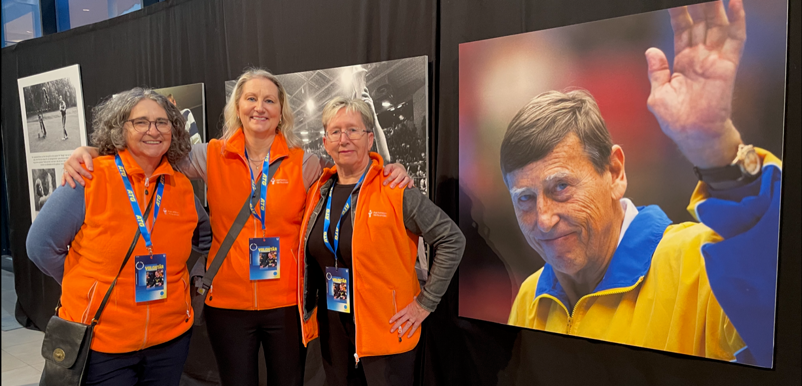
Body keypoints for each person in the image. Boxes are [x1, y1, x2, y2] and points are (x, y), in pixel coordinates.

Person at [61, 69, 413, 386]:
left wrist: (388, 168)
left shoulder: (303, 163)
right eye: (251, 98)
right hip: (227, 306)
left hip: (285, 305)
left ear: (281, 111)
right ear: (238, 107)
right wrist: (92, 151)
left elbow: (351, 168)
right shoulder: (209, 155)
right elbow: (150, 151)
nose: (260, 107)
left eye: (269, 100)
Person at [504, 0, 780, 367]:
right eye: (524, 198)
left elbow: (781, 288)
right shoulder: (530, 299)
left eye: (560, 189)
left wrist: (716, 148)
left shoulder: (700, 267)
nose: (543, 219)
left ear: (615, 173)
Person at [27, 87, 212, 385]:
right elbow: (40, 246)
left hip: (170, 342)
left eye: (162, 122)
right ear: (119, 128)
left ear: (174, 129)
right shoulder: (89, 178)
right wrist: (87, 285)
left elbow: (209, 241)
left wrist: (191, 284)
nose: (153, 130)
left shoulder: (181, 187)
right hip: (102, 345)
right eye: (141, 122)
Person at [298, 97, 465, 386]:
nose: (344, 139)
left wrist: (425, 303)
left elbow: (452, 239)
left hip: (387, 331)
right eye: (335, 132)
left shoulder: (395, 189)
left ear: (370, 138)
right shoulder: (318, 192)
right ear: (325, 142)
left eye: (353, 130)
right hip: (333, 329)